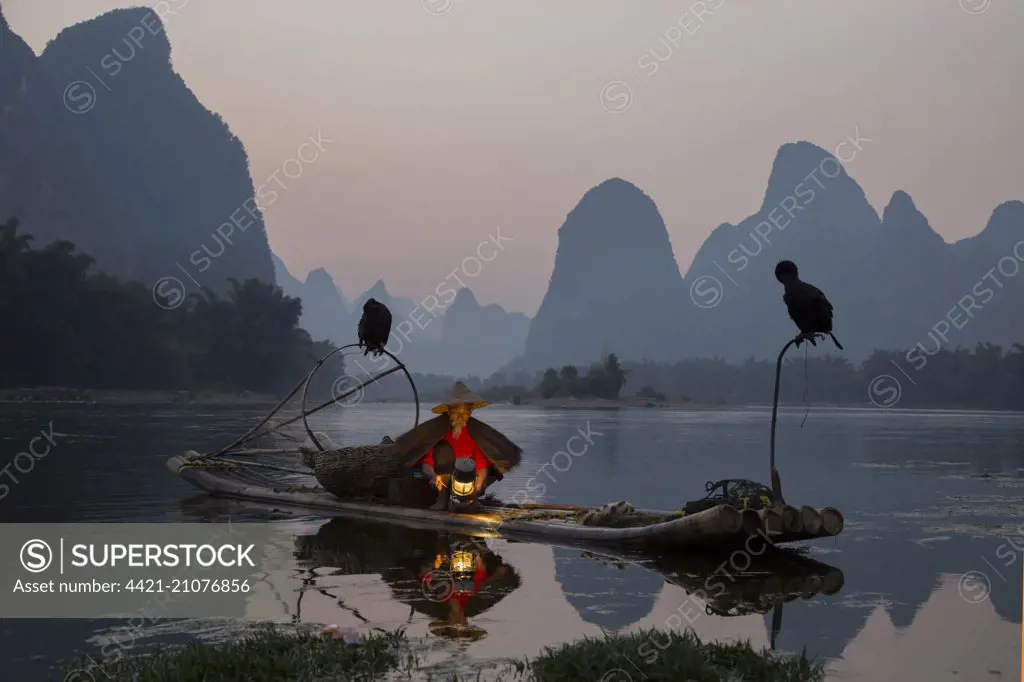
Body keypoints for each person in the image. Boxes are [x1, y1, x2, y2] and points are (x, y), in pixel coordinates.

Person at [392, 381, 522, 510]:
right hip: (442, 479)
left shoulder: (475, 433)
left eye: (465, 412)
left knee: (479, 469)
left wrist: (477, 488)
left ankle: (471, 500)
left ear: (470, 412)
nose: (460, 416)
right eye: (456, 411)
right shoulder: (438, 432)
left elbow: (482, 464)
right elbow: (428, 462)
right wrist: (433, 476)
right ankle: (442, 499)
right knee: (445, 452)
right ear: (448, 411)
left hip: (467, 478)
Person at [774, 260, 843, 350]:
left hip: (821, 327)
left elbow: (822, 312)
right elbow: (797, 316)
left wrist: (812, 330)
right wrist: (804, 333)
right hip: (808, 329)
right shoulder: (789, 296)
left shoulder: (809, 292)